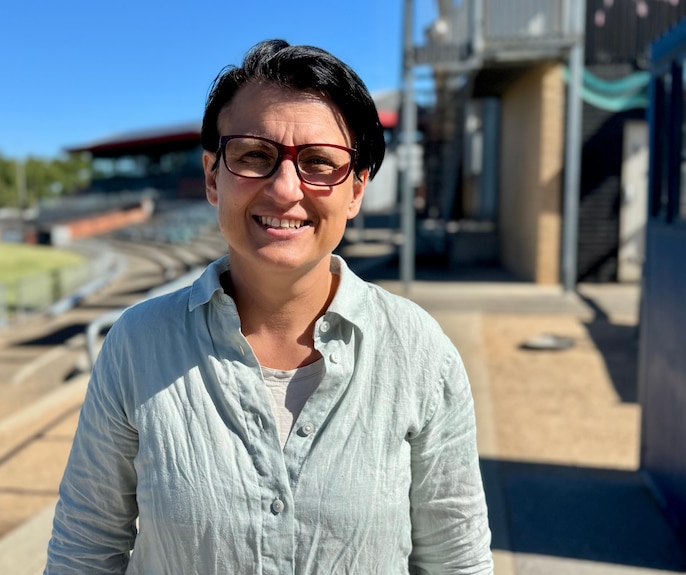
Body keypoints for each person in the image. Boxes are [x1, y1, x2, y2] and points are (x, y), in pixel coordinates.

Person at [44, 39, 493, 574]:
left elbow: (456, 563)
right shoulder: (137, 346)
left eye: (320, 163)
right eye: (254, 155)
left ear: (356, 190)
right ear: (213, 176)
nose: (285, 188)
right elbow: (84, 554)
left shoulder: (419, 352)